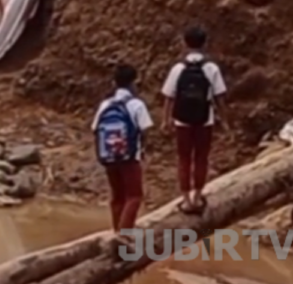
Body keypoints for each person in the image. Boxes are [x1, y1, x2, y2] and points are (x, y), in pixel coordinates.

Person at [161, 26, 228, 215]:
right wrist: (224, 120)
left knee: (184, 159)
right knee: (201, 158)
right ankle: (198, 197)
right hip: (204, 119)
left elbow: (169, 97)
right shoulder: (211, 68)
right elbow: (219, 97)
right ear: (205, 43)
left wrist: (166, 120)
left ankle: (185, 201)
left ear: (185, 43)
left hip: (182, 120)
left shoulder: (178, 68)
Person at [92, 64, 153, 244]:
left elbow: (95, 129)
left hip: (109, 156)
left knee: (117, 196)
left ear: (114, 82)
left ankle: (116, 230)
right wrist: (142, 150)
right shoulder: (136, 105)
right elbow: (145, 130)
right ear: (134, 83)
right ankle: (124, 234)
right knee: (134, 196)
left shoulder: (105, 104)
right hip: (129, 157)